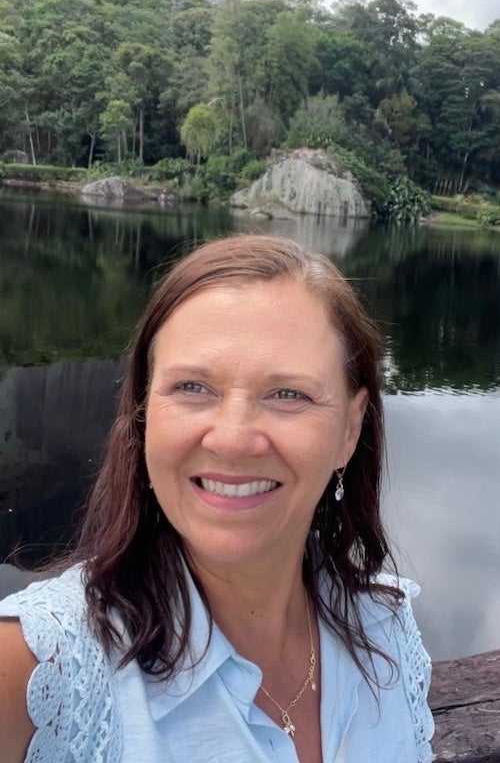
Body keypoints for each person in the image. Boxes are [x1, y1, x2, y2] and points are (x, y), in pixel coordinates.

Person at [0, 235, 434, 763]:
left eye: (288, 394)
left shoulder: (386, 628)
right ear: (143, 411)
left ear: (350, 427)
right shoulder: (38, 669)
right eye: (192, 387)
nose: (231, 438)